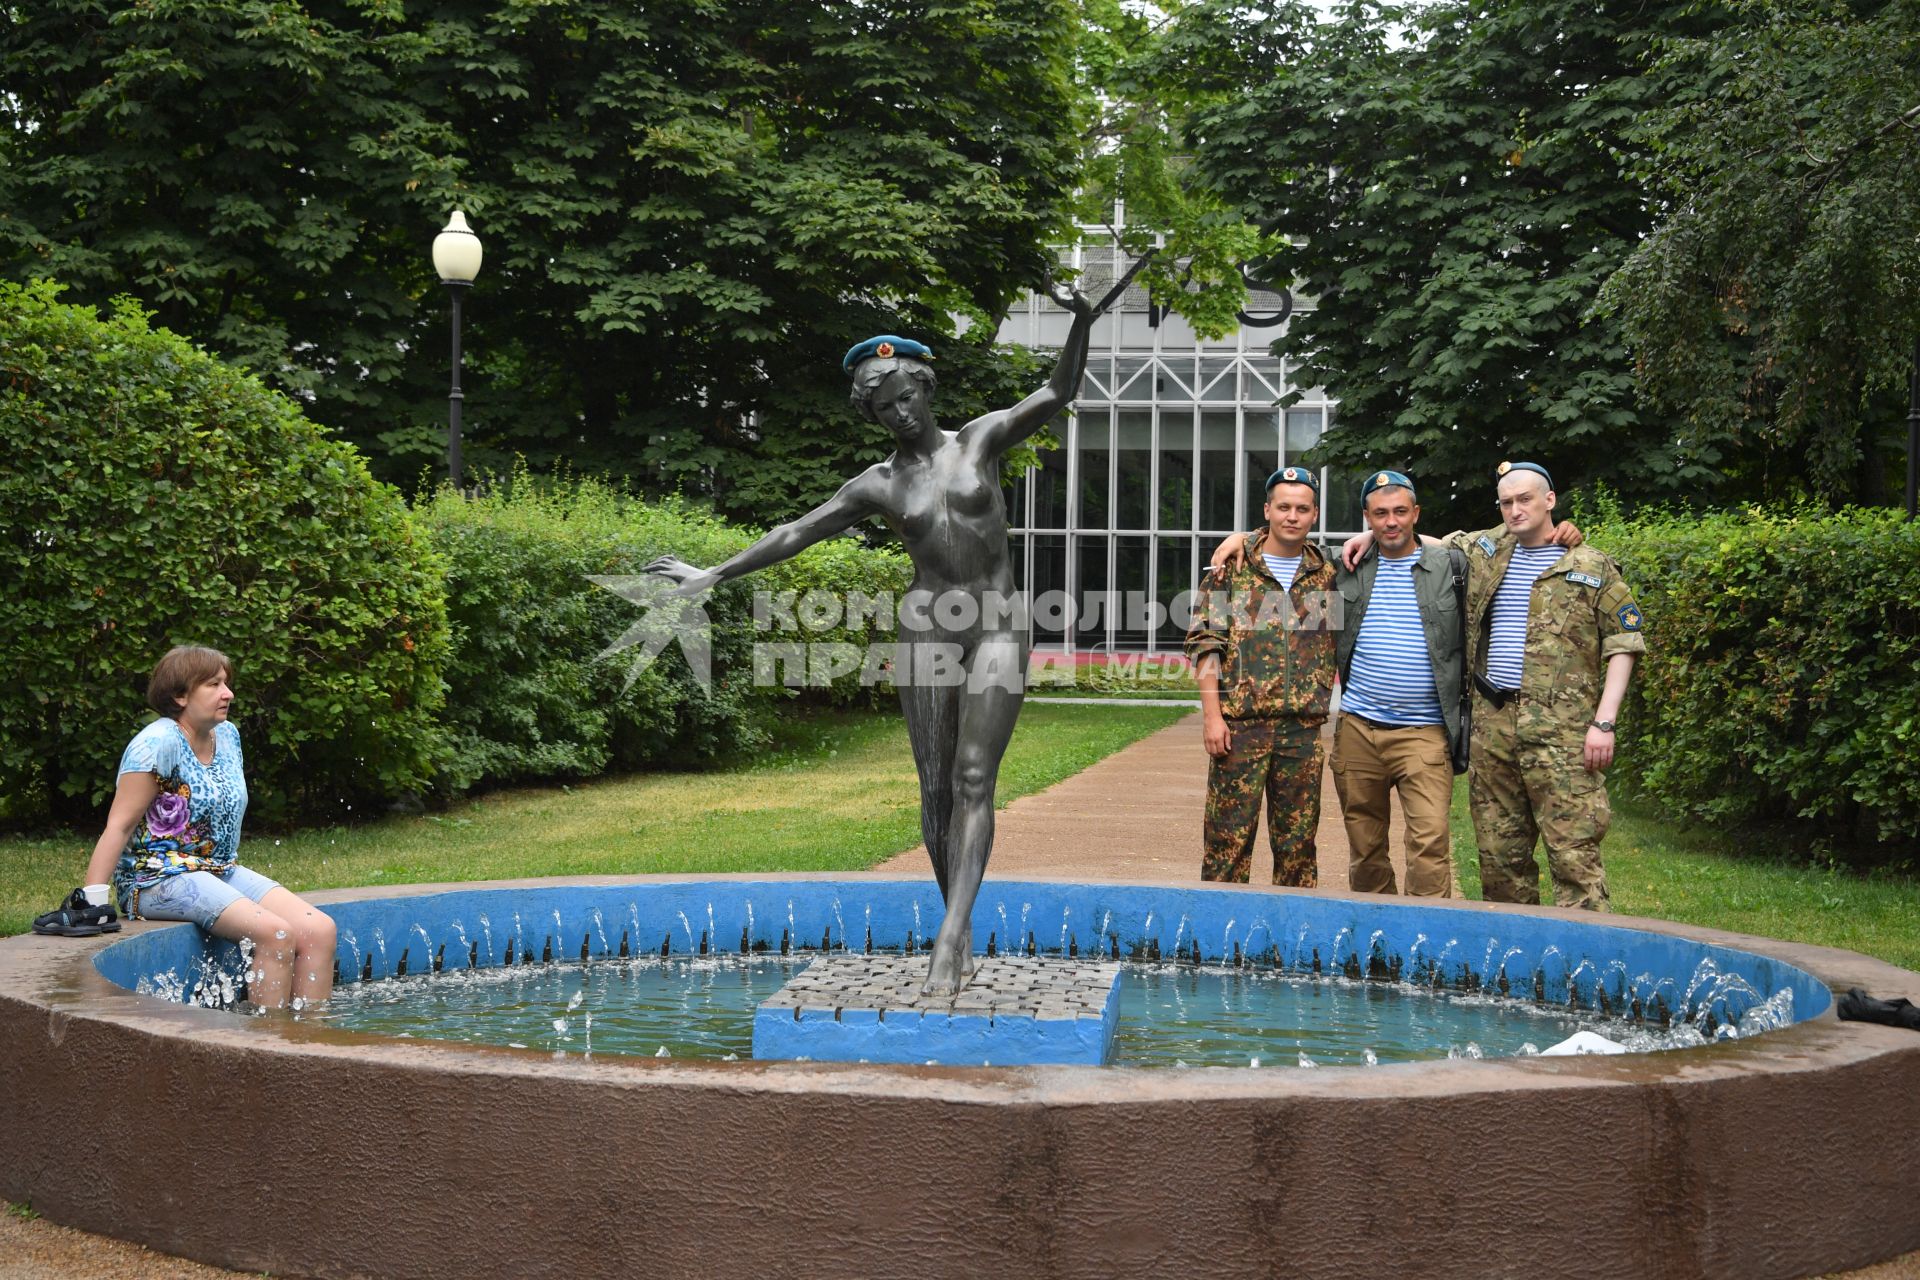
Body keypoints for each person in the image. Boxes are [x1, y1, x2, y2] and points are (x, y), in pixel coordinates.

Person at [648, 283, 1115, 994]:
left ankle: (949, 939)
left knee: (972, 777)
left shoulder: (981, 440)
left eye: (907, 396)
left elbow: (1055, 391)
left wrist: (1081, 322)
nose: (900, 413)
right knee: (933, 794)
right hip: (926, 626)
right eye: (883, 405)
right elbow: (796, 532)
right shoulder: (876, 484)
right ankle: (955, 926)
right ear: (871, 414)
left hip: (995, 623)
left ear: (925, 389)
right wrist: (711, 573)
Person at [1340, 461, 1640, 910]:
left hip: (1563, 732)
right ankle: (1512, 967)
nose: (1516, 510)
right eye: (1507, 502)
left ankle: (1584, 968)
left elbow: (1624, 642)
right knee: (1500, 860)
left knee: (1574, 857)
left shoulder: (1589, 565)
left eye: (1525, 500)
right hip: (1493, 727)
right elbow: (1418, 540)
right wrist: (1369, 535)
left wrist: (1605, 720)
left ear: (1550, 500)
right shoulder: (1485, 552)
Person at [1207, 470, 1471, 896]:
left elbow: (1459, 544)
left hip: (1372, 733)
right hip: (1301, 730)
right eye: (1380, 514)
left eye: (1400, 512)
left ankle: (1413, 941)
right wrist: (1241, 537)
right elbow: (1208, 637)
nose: (1391, 521)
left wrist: (1374, 534)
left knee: (1412, 846)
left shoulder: (1348, 567)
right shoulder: (1268, 567)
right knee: (1241, 846)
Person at [34, 645, 337, 1009]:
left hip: (218, 869)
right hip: (156, 878)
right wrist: (93, 899)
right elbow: (119, 824)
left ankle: (310, 1045)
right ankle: (268, 1050)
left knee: (320, 931)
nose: (229, 693)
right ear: (179, 696)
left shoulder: (227, 736)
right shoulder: (156, 744)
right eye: (214, 684)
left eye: (226, 683)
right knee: (276, 934)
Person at [1184, 466, 1338, 886]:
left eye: (1302, 509)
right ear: (1267, 510)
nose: (1292, 516)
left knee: (1298, 850)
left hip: (1301, 733)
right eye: (1283, 506)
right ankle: (1218, 942)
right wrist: (1213, 718)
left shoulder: (1327, 572)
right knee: (1226, 845)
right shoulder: (1231, 569)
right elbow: (1205, 644)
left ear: (1314, 515)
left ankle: (1292, 944)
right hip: (1240, 729)